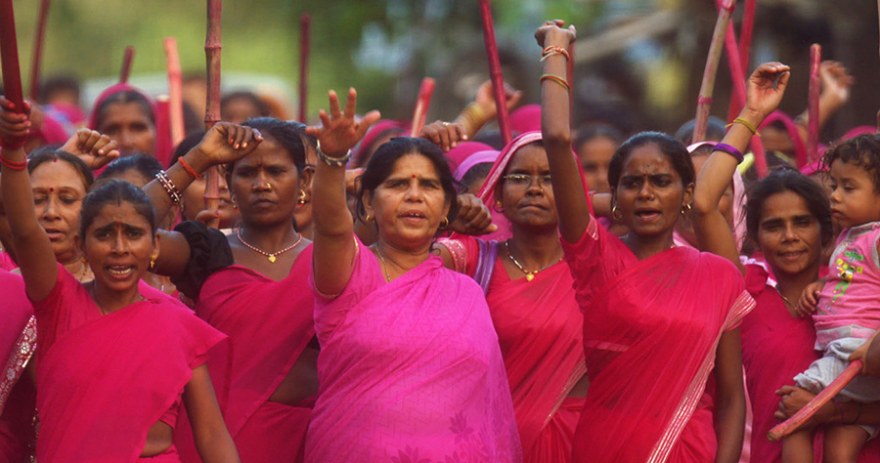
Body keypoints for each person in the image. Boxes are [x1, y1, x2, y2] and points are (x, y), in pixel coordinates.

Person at [536, 21, 753, 462]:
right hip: (606, 448)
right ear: (613, 197)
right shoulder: (596, 257)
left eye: (661, 181)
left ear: (686, 194)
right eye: (632, 183)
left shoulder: (718, 275)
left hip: (690, 448)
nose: (647, 192)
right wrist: (556, 52)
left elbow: (732, 399)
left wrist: (753, 115)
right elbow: (558, 140)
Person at [0, 100, 237, 462]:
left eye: (133, 234)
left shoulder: (180, 325)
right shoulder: (58, 301)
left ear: (156, 242)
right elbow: (25, 228)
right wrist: (14, 149)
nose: (120, 248)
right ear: (82, 243)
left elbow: (212, 434)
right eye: (105, 235)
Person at [305, 88, 521, 462]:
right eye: (398, 184)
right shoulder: (349, 272)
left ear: (446, 210)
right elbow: (330, 223)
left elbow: (486, 410)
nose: (414, 196)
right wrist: (333, 159)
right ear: (368, 203)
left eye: (429, 185)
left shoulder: (466, 292)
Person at [145, 118, 318, 462]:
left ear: (305, 180)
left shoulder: (332, 262)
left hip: (304, 444)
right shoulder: (206, 252)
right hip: (212, 443)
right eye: (247, 173)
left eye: (276, 171)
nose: (262, 184)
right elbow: (117, 224)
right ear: (227, 180)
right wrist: (197, 158)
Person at [436, 130, 586, 461]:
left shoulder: (595, 269)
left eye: (550, 178)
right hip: (481, 444)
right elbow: (402, 265)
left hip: (572, 445)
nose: (534, 188)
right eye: (519, 177)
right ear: (499, 194)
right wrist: (443, 214)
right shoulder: (469, 258)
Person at [777, 133, 880, 462]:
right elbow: (856, 280)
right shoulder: (852, 235)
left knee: (794, 413)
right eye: (834, 185)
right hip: (854, 355)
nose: (834, 196)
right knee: (840, 446)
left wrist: (875, 345)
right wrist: (823, 285)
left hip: (855, 351)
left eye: (848, 188)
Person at [90, 83, 157, 157]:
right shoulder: (80, 167)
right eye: (112, 131)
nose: (126, 142)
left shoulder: (171, 167)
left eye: (138, 128)